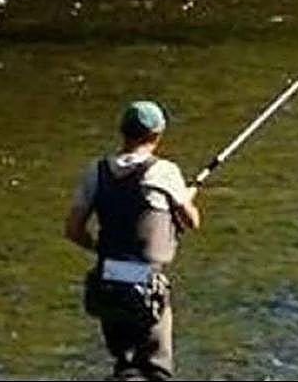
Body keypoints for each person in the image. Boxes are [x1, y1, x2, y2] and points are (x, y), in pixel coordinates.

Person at [65, 100, 201, 381]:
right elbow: (192, 222)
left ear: (123, 132)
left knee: (125, 364)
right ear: (157, 135)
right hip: (144, 282)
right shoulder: (164, 172)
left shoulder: (96, 171)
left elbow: (73, 230)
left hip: (107, 279)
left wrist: (100, 248)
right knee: (155, 369)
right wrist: (186, 199)